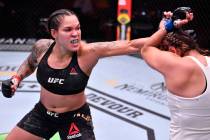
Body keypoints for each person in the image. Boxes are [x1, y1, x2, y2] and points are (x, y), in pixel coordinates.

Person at [1, 9, 150, 140]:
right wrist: (16, 78)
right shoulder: (42, 48)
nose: (75, 34)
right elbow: (30, 63)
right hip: (42, 114)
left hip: (74, 118)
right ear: (54, 33)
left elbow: (132, 45)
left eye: (78, 28)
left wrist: (166, 31)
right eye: (68, 29)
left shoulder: (89, 53)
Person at [140, 10, 210, 140]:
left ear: (173, 50)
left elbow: (146, 49)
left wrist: (167, 28)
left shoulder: (181, 67)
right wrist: (168, 27)